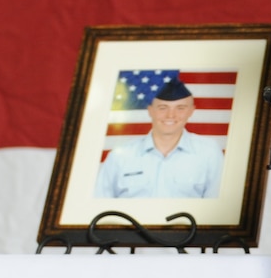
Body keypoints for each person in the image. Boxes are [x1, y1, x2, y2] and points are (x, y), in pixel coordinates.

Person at [93, 78, 224, 199]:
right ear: (150, 110)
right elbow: (98, 205)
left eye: (180, 108)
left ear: (191, 111)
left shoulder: (209, 152)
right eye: (162, 108)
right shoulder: (120, 156)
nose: (170, 115)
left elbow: (218, 209)